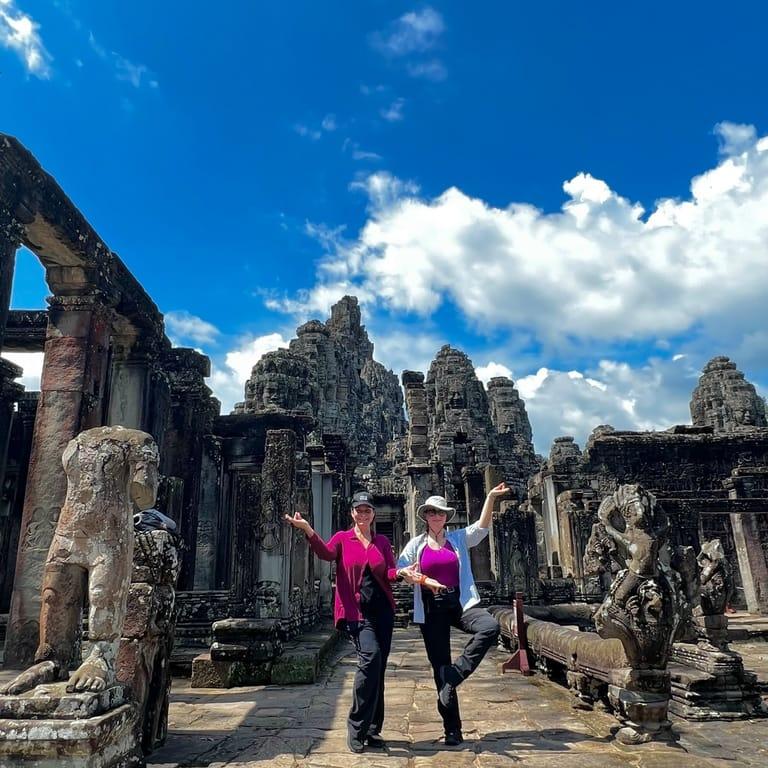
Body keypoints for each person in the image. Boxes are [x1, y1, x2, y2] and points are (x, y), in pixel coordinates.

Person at [284, 490, 444, 753]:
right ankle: (356, 726)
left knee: (378, 669)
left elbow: (389, 572)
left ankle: (372, 729)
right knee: (370, 660)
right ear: (352, 513)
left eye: (367, 510)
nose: (363, 514)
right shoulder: (342, 539)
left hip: (383, 613)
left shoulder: (382, 542)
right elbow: (325, 553)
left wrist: (402, 573)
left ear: (373, 514)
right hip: (357, 613)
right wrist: (307, 529)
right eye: (358, 510)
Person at [397, 483, 508, 746]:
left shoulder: (457, 539)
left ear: (447, 516)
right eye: (432, 512)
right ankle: (452, 729)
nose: (436, 516)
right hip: (431, 607)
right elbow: (401, 570)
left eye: (441, 513)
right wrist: (421, 579)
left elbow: (481, 528)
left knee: (489, 627)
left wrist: (490, 497)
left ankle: (458, 672)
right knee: (440, 668)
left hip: (459, 603)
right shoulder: (416, 544)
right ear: (425, 516)